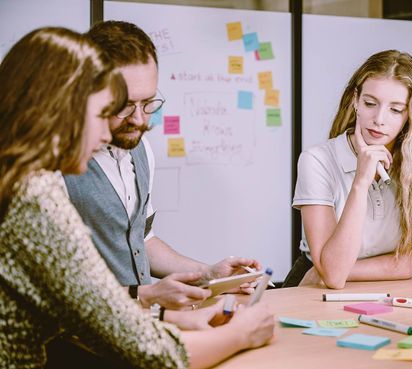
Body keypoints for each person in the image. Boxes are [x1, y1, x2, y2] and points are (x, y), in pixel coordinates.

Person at [0, 26, 273, 369]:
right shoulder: (37, 196)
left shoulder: (19, 180)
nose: (105, 133)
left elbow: (105, 285)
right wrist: (241, 334)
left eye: (148, 104)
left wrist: (183, 300)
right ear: (58, 108)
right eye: (107, 112)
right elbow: (143, 348)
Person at [63, 20, 261, 312]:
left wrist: (207, 275)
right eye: (125, 105)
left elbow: (141, 240)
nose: (141, 120)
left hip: (138, 325)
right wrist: (147, 295)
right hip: (84, 334)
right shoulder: (52, 164)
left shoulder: (140, 149)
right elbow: (56, 285)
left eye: (149, 103)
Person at [283, 49, 412, 289]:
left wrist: (331, 272)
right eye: (370, 103)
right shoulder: (316, 160)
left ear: (410, 115)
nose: (379, 119)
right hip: (312, 287)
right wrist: (360, 183)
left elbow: (407, 265)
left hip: (379, 287)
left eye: (395, 109)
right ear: (355, 100)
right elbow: (333, 276)